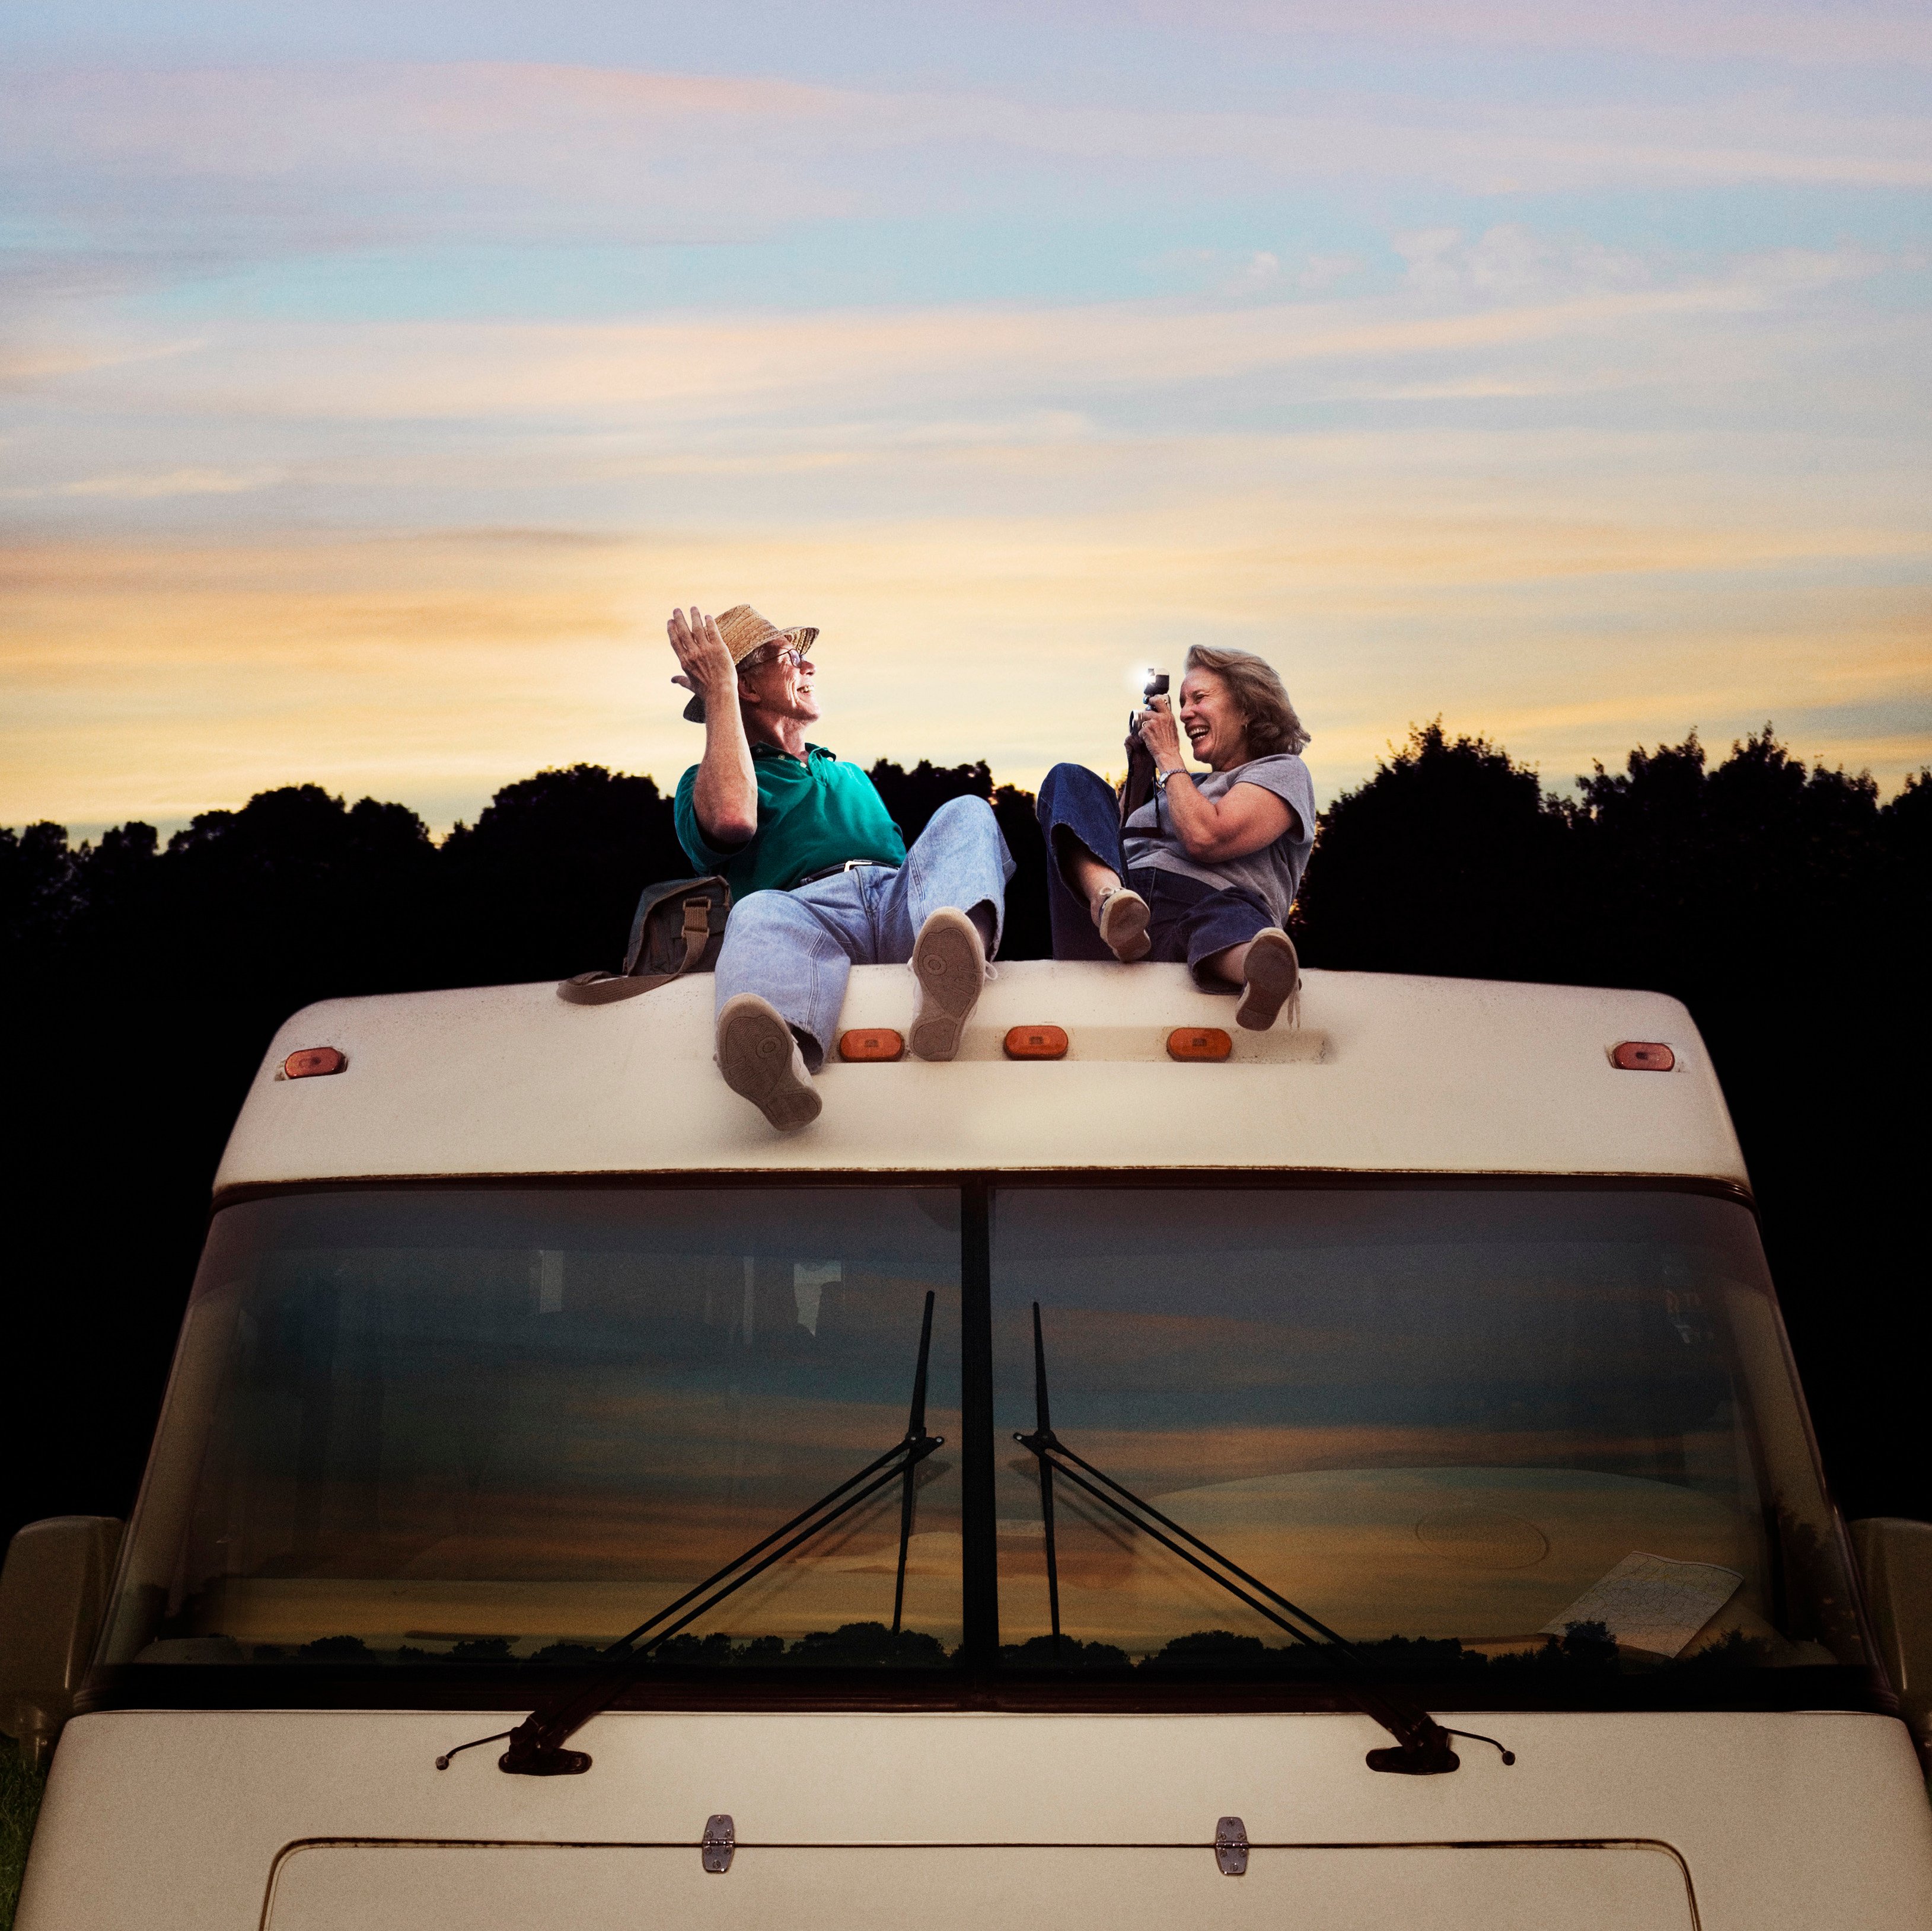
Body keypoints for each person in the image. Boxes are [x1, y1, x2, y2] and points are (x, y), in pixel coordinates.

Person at [667, 604, 1013, 1131]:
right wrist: (719, 691)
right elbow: (733, 818)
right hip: (806, 915)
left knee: (967, 810)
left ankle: (952, 975)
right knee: (756, 910)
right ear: (748, 688)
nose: (809, 666)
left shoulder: (848, 772)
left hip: (896, 899)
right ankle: (778, 1067)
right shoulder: (704, 783)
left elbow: (916, 864)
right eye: (791, 658)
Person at [1036, 645, 1314, 1030]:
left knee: (1226, 910)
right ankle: (1110, 903)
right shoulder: (1182, 783)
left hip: (1199, 918)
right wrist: (1142, 767)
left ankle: (1261, 970)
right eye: (1182, 703)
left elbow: (1207, 837)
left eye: (1199, 698)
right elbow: (1115, 841)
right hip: (1117, 918)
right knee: (1068, 779)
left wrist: (1168, 756)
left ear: (1248, 708)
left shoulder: (1281, 771)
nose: (1184, 714)